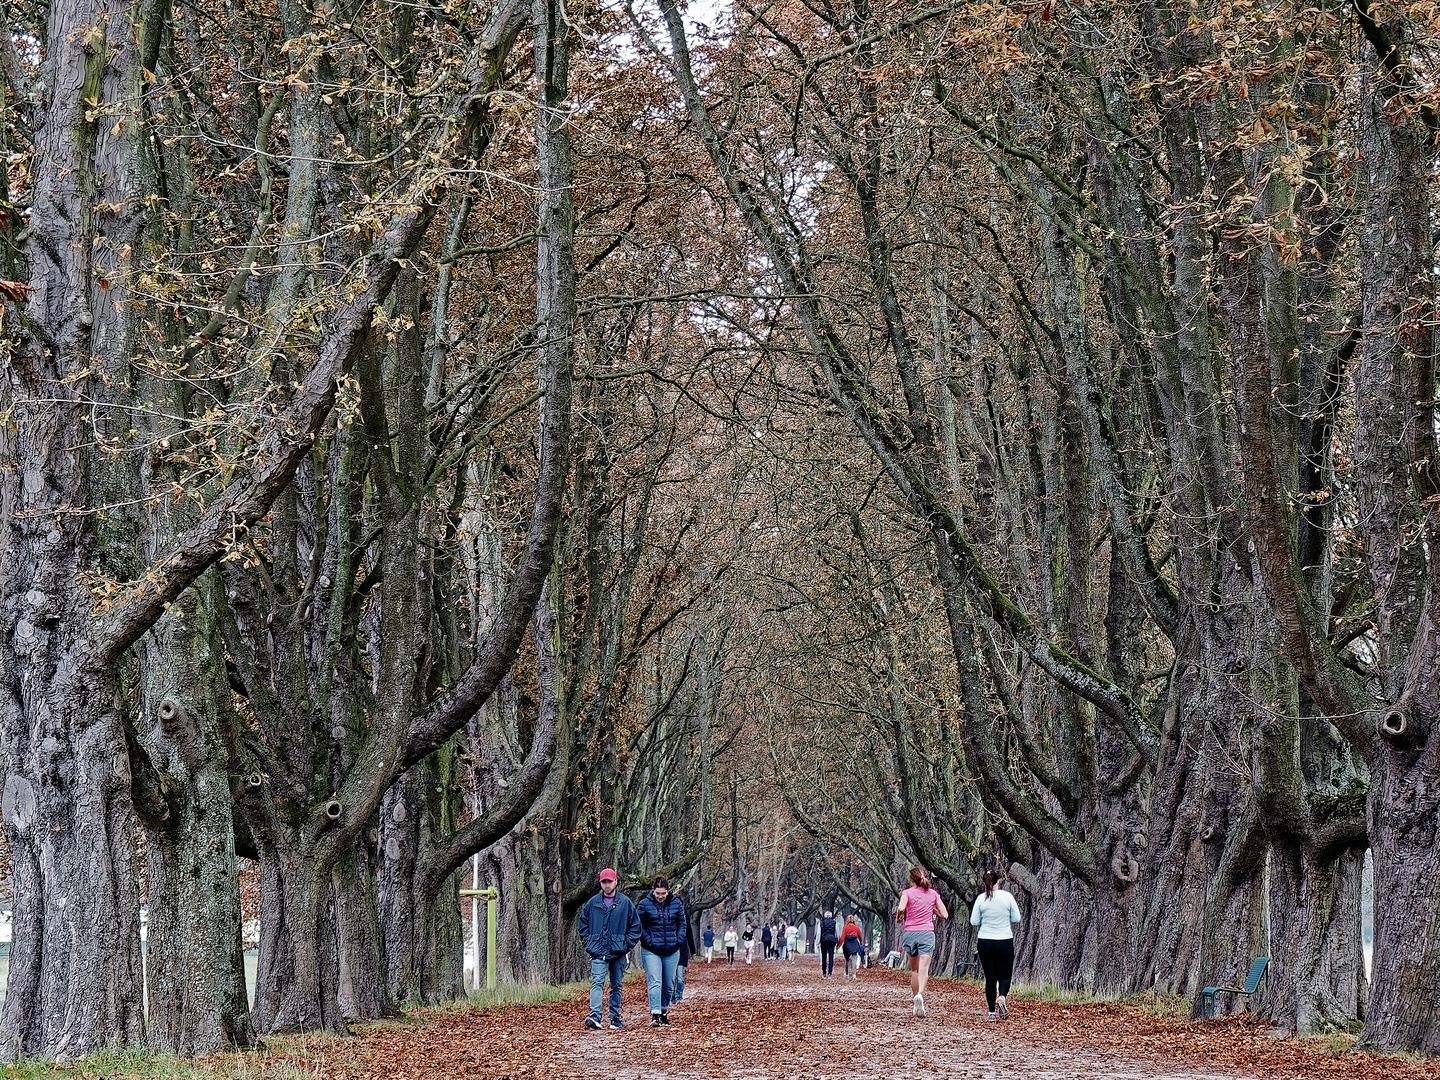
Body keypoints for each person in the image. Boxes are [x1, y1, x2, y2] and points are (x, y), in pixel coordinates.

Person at [577, 867, 641, 1030]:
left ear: (615, 882)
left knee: (616, 985)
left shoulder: (625, 903)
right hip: (598, 951)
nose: (607, 884)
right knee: (597, 982)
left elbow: (635, 926)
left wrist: (626, 944)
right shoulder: (593, 903)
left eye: (609, 881)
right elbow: (583, 924)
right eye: (604, 881)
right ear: (600, 883)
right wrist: (588, 942)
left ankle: (615, 1018)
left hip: (618, 951)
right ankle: (595, 1015)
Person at [896, 865, 948, 1018]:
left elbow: (901, 908)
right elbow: (944, 915)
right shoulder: (933, 894)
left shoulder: (907, 893)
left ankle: (915, 999)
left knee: (915, 970)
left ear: (912, 879)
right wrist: (933, 910)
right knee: (924, 968)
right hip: (926, 933)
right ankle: (920, 995)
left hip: (910, 933)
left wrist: (899, 916)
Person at [970, 870, 1023, 1021]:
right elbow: (1016, 918)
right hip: (1004, 939)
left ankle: (992, 1013)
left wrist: (985, 919)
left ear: (984, 882)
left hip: (985, 941)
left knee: (990, 977)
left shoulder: (981, 899)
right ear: (999, 881)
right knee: (1005, 975)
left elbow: (974, 921)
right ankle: (1002, 997)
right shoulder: (1007, 897)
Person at [637, 874, 687, 1027]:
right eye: (657, 893)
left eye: (663, 894)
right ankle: (655, 1013)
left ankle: (664, 1009)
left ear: (668, 891)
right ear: (653, 891)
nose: (660, 896)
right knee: (655, 981)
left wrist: (678, 940)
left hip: (672, 949)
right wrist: (648, 940)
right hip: (651, 950)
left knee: (669, 984)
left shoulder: (676, 904)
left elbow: (682, 924)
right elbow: (640, 926)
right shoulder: (644, 904)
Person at [818, 910, 838, 978]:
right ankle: (830, 973)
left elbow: (819, 933)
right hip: (831, 941)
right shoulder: (834, 922)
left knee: (824, 957)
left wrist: (817, 942)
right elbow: (836, 933)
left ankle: (824, 972)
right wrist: (837, 941)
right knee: (831, 957)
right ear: (831, 916)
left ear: (824, 916)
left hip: (824, 941)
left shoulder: (821, 923)